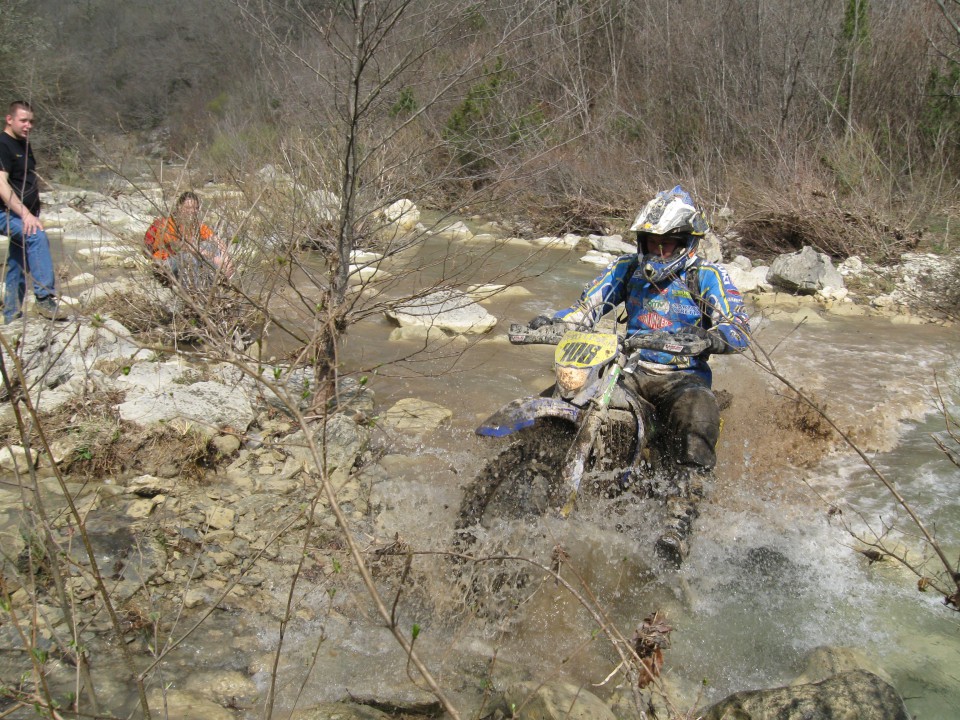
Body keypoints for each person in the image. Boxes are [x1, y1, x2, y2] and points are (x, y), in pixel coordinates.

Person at [528, 185, 750, 564]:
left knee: (698, 414)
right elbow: (587, 307)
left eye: (667, 244)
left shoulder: (706, 275)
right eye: (651, 242)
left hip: (680, 377)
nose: (657, 251)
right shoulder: (627, 268)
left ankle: (680, 520)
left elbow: (738, 326)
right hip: (627, 369)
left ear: (686, 243)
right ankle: (531, 462)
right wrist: (554, 321)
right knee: (568, 395)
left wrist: (710, 337)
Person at [0, 100, 62, 323]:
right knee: (36, 236)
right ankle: (44, 298)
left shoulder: (24, 144)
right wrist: (26, 214)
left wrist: (31, 212)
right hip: (5, 213)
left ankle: (10, 315)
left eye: (31, 121)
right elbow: (1, 184)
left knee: (18, 262)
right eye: (23, 120)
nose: (28, 125)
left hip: (23, 213)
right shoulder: (2, 144)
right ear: (9, 119)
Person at [144, 191, 234, 285]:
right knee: (191, 257)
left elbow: (216, 239)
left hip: (184, 257)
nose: (192, 211)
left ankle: (220, 281)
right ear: (179, 207)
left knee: (210, 246)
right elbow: (182, 247)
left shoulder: (195, 224)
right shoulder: (168, 224)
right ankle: (194, 289)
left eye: (195, 208)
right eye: (188, 208)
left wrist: (226, 258)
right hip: (165, 262)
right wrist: (212, 257)